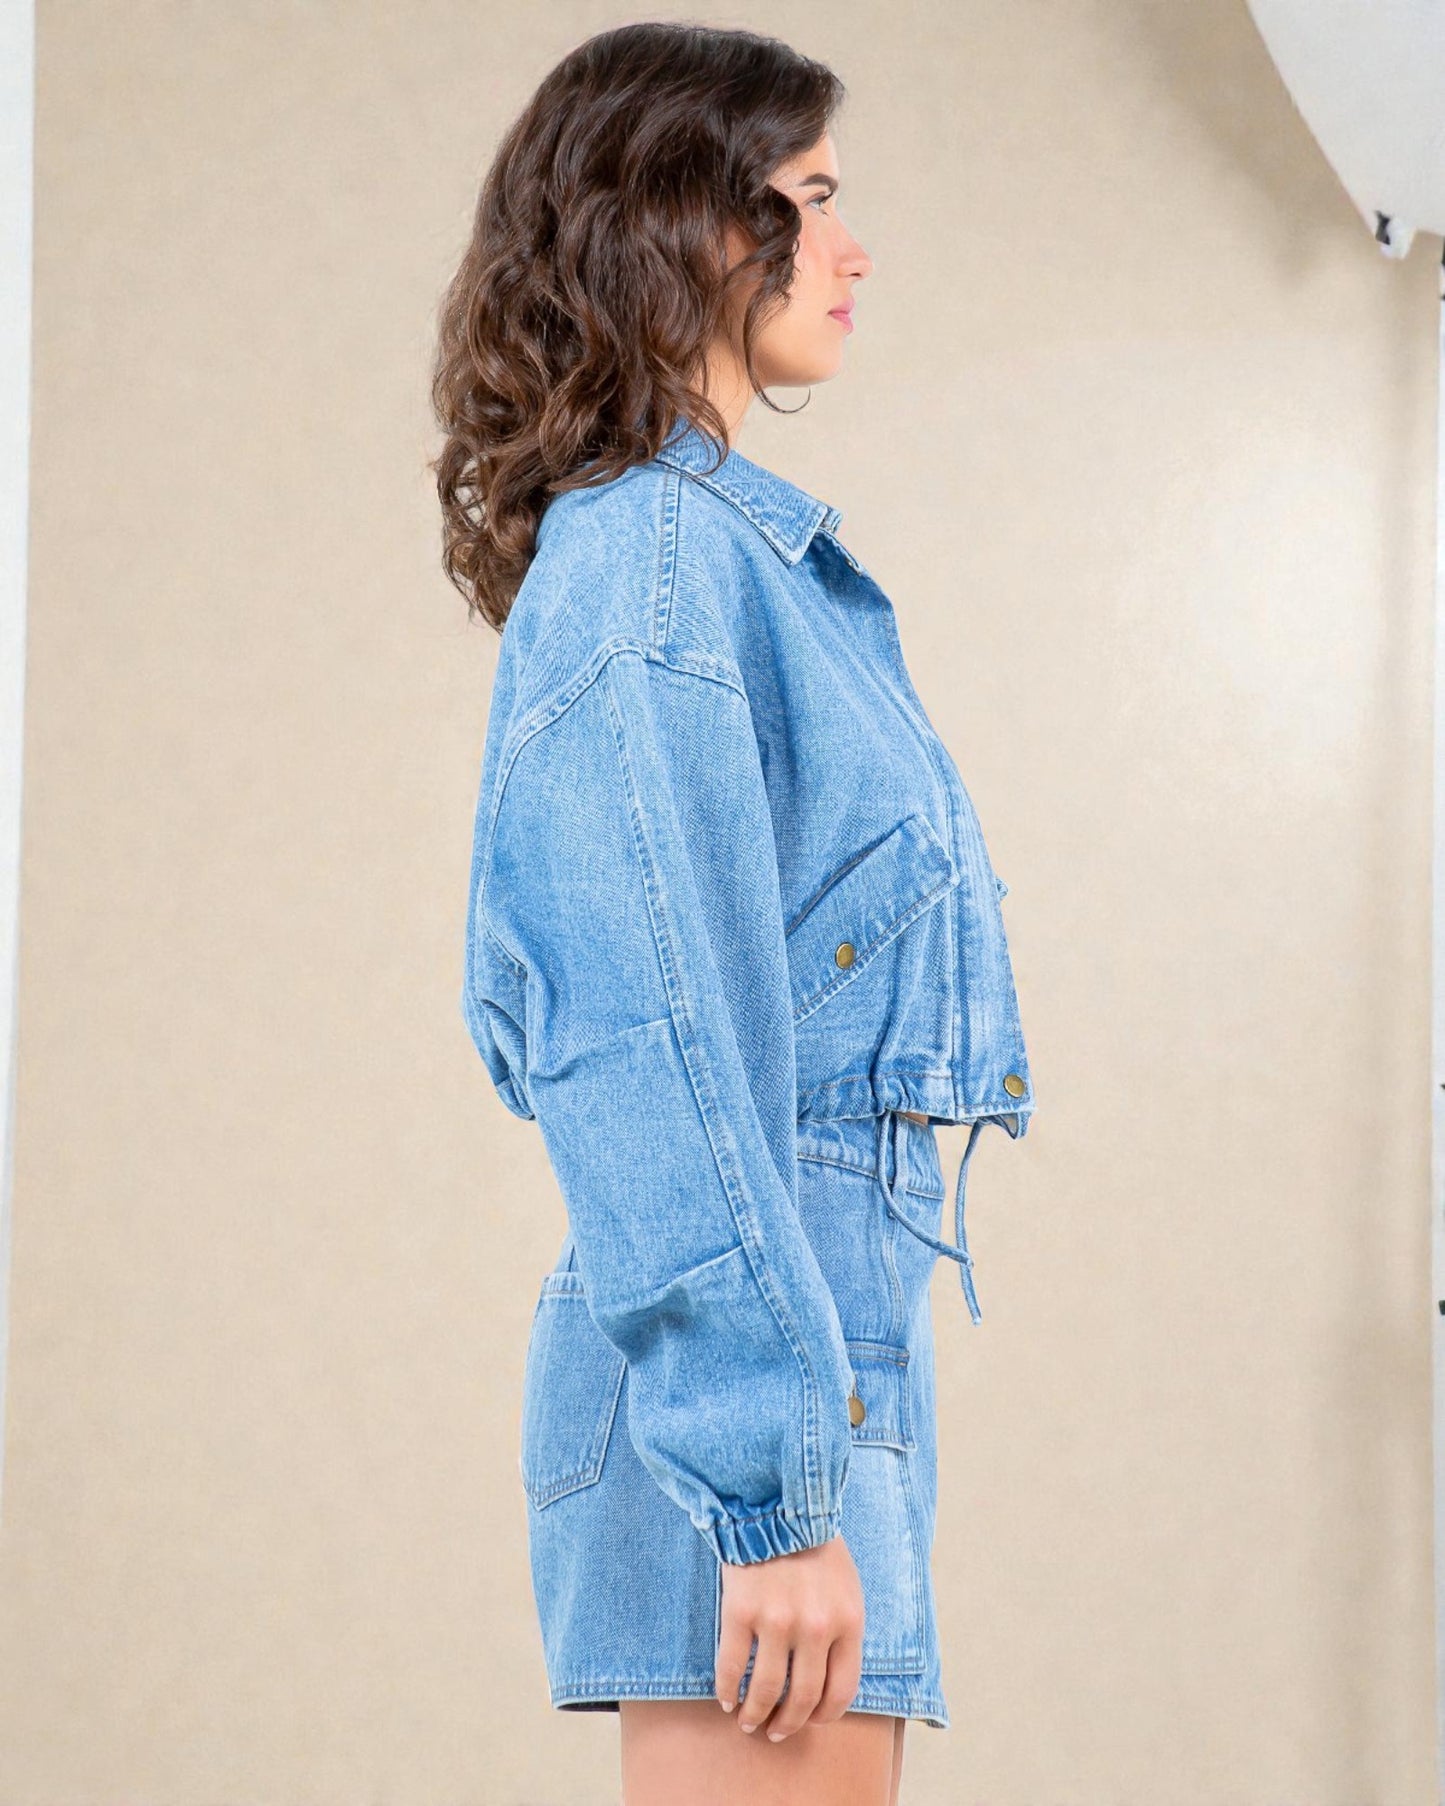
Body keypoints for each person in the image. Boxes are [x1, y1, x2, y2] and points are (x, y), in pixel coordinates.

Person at [431, 22, 1036, 1806]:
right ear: (682, 222)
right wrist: (769, 1490)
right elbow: (649, 1029)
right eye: (814, 199)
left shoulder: (712, 557)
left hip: (803, 1358)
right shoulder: (654, 565)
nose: (851, 251)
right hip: (749, 1401)